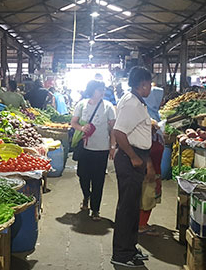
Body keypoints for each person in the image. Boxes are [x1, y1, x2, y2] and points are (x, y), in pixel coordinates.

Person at [111, 66, 153, 268]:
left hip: (137, 156)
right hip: (130, 159)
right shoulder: (131, 103)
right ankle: (120, 254)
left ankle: (130, 247)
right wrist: (134, 157)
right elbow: (119, 132)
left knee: (133, 206)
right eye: (150, 84)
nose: (150, 88)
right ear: (143, 84)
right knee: (127, 208)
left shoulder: (137, 101)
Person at [71, 80, 116, 221]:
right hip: (84, 148)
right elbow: (73, 122)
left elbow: (113, 129)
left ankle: (96, 209)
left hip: (101, 149)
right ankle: (86, 196)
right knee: (83, 175)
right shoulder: (82, 104)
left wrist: (112, 147)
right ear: (92, 90)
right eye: (99, 89)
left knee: (98, 180)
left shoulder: (108, 107)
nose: (102, 92)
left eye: (103, 89)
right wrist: (81, 128)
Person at [138, 120, 163, 236]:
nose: (153, 130)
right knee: (147, 198)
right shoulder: (142, 140)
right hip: (148, 173)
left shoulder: (157, 137)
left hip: (156, 171)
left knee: (151, 198)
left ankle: (142, 223)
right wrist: (150, 167)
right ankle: (141, 225)